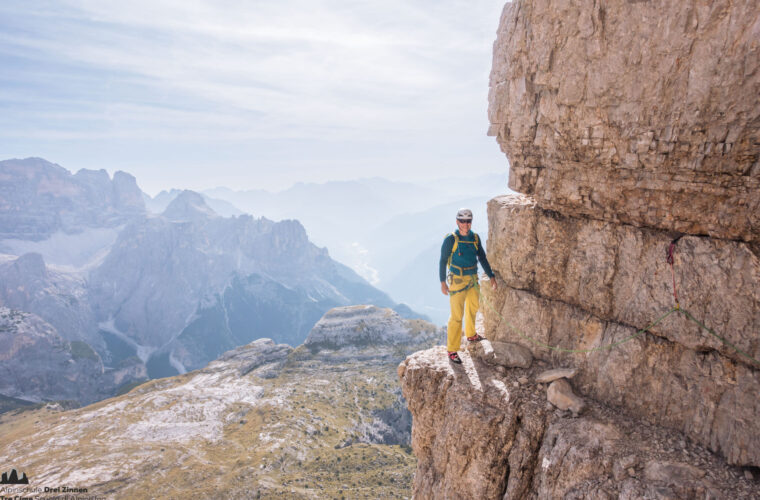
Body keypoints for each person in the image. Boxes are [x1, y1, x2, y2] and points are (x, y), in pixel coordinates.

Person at [439, 208, 497, 364]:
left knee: (473, 307)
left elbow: (482, 258)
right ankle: (452, 349)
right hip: (457, 280)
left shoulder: (475, 238)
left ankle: (471, 334)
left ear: (471, 222)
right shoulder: (451, 239)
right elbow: (443, 261)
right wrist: (443, 282)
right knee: (457, 316)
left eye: (468, 221)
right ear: (457, 222)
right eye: (462, 221)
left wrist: (491, 275)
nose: (465, 224)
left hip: (472, 279)